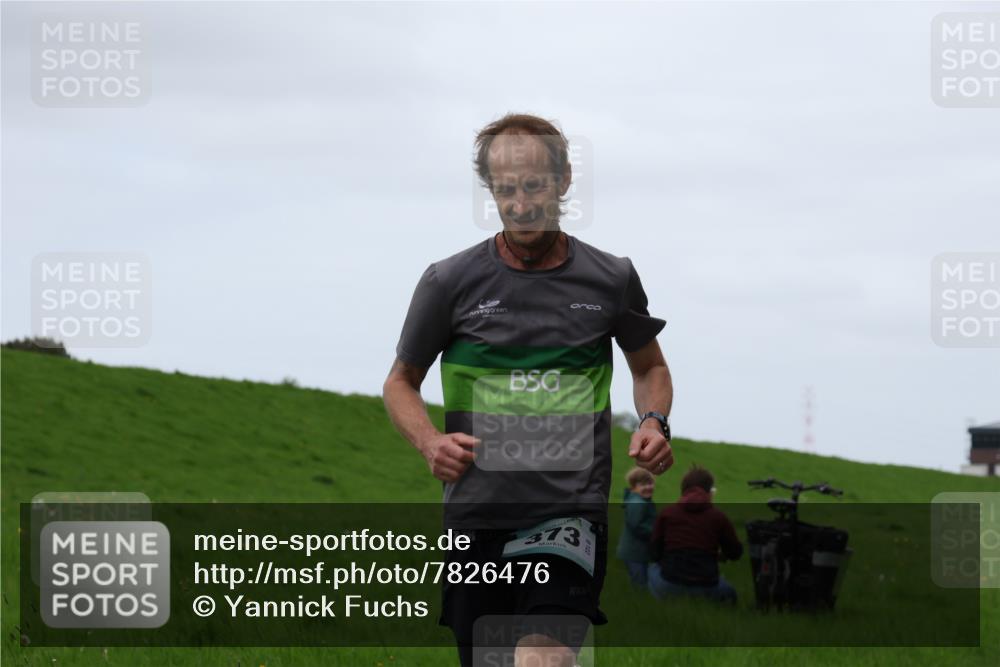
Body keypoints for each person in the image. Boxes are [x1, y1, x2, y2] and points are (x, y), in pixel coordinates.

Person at [382, 112, 674, 667]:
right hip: (476, 516)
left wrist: (653, 421)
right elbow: (400, 383)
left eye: (534, 185)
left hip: (568, 512)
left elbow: (648, 369)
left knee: (543, 659)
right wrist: (428, 442)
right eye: (505, 189)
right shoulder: (449, 281)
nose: (519, 204)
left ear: (563, 181)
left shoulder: (610, 278)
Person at [647, 465, 742, 603]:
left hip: (670, 585)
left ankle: (664, 603)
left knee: (652, 569)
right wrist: (719, 556)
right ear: (709, 492)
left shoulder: (667, 513)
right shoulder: (719, 517)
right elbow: (735, 552)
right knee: (729, 592)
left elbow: (654, 553)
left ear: (683, 491)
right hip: (707, 587)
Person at [616, 467, 657, 588]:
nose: (648, 487)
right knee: (640, 584)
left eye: (650, 483)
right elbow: (636, 526)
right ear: (634, 486)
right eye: (643, 484)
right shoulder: (638, 503)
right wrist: (655, 532)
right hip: (634, 551)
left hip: (638, 550)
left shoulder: (641, 500)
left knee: (640, 580)